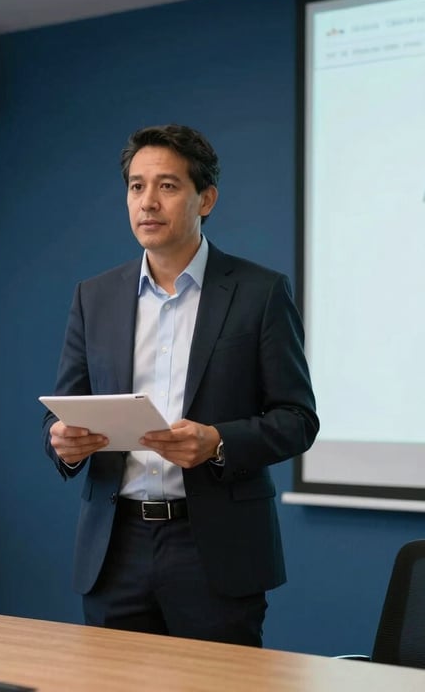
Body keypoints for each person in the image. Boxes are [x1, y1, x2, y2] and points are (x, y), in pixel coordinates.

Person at [43, 124, 318, 647]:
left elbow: (298, 419)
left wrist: (218, 441)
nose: (147, 202)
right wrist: (63, 441)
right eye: (136, 186)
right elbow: (61, 410)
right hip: (115, 547)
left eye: (166, 186)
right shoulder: (94, 297)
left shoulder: (259, 293)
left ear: (205, 199)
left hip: (214, 547)